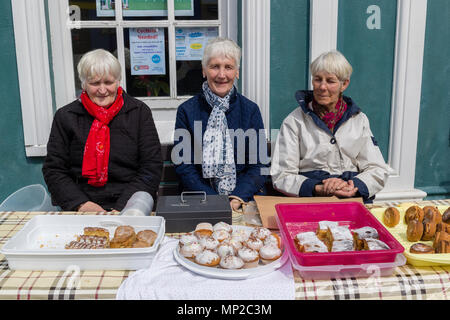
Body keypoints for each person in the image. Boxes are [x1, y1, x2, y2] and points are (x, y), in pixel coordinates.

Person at [42, 49, 162, 212]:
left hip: (131, 204)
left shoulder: (139, 112)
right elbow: (54, 169)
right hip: (83, 205)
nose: (102, 90)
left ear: (118, 81)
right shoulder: (66, 116)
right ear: (83, 84)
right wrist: (82, 204)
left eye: (108, 82)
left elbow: (151, 166)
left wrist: (124, 207)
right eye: (95, 83)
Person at [270, 50, 388, 203]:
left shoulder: (359, 120)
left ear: (344, 84)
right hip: (311, 202)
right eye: (318, 79)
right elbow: (281, 175)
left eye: (330, 81)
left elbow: (377, 169)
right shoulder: (294, 121)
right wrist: (318, 188)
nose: (322, 87)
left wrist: (353, 186)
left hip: (352, 200)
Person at [173, 37, 268, 211]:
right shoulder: (186, 111)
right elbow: (184, 166)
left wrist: (236, 197)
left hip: (243, 198)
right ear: (204, 71)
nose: (221, 75)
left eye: (228, 67)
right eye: (215, 66)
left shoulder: (250, 110)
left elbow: (259, 165)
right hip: (201, 199)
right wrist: (214, 201)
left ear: (237, 72)